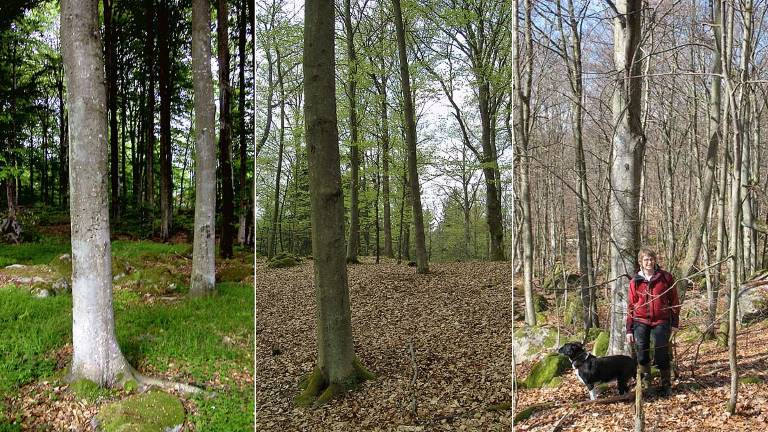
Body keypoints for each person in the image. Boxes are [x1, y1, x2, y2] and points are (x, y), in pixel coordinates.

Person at [625, 247, 680, 396]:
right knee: (642, 352)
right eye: (646, 260)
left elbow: (674, 301)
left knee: (662, 352)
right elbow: (630, 306)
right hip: (640, 320)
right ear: (640, 262)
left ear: (655, 260)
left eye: (651, 259)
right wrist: (629, 330)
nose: (649, 262)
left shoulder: (665, 278)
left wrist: (675, 323)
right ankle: (647, 384)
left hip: (661, 320)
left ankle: (666, 384)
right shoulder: (635, 281)